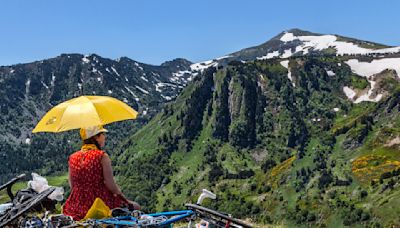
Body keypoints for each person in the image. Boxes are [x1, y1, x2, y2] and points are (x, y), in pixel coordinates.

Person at [63, 125, 140, 220]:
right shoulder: (102, 156)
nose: (105, 136)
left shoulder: (73, 157)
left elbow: (72, 185)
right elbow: (111, 185)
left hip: (76, 206)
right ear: (96, 137)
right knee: (136, 207)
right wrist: (121, 195)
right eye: (103, 134)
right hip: (100, 202)